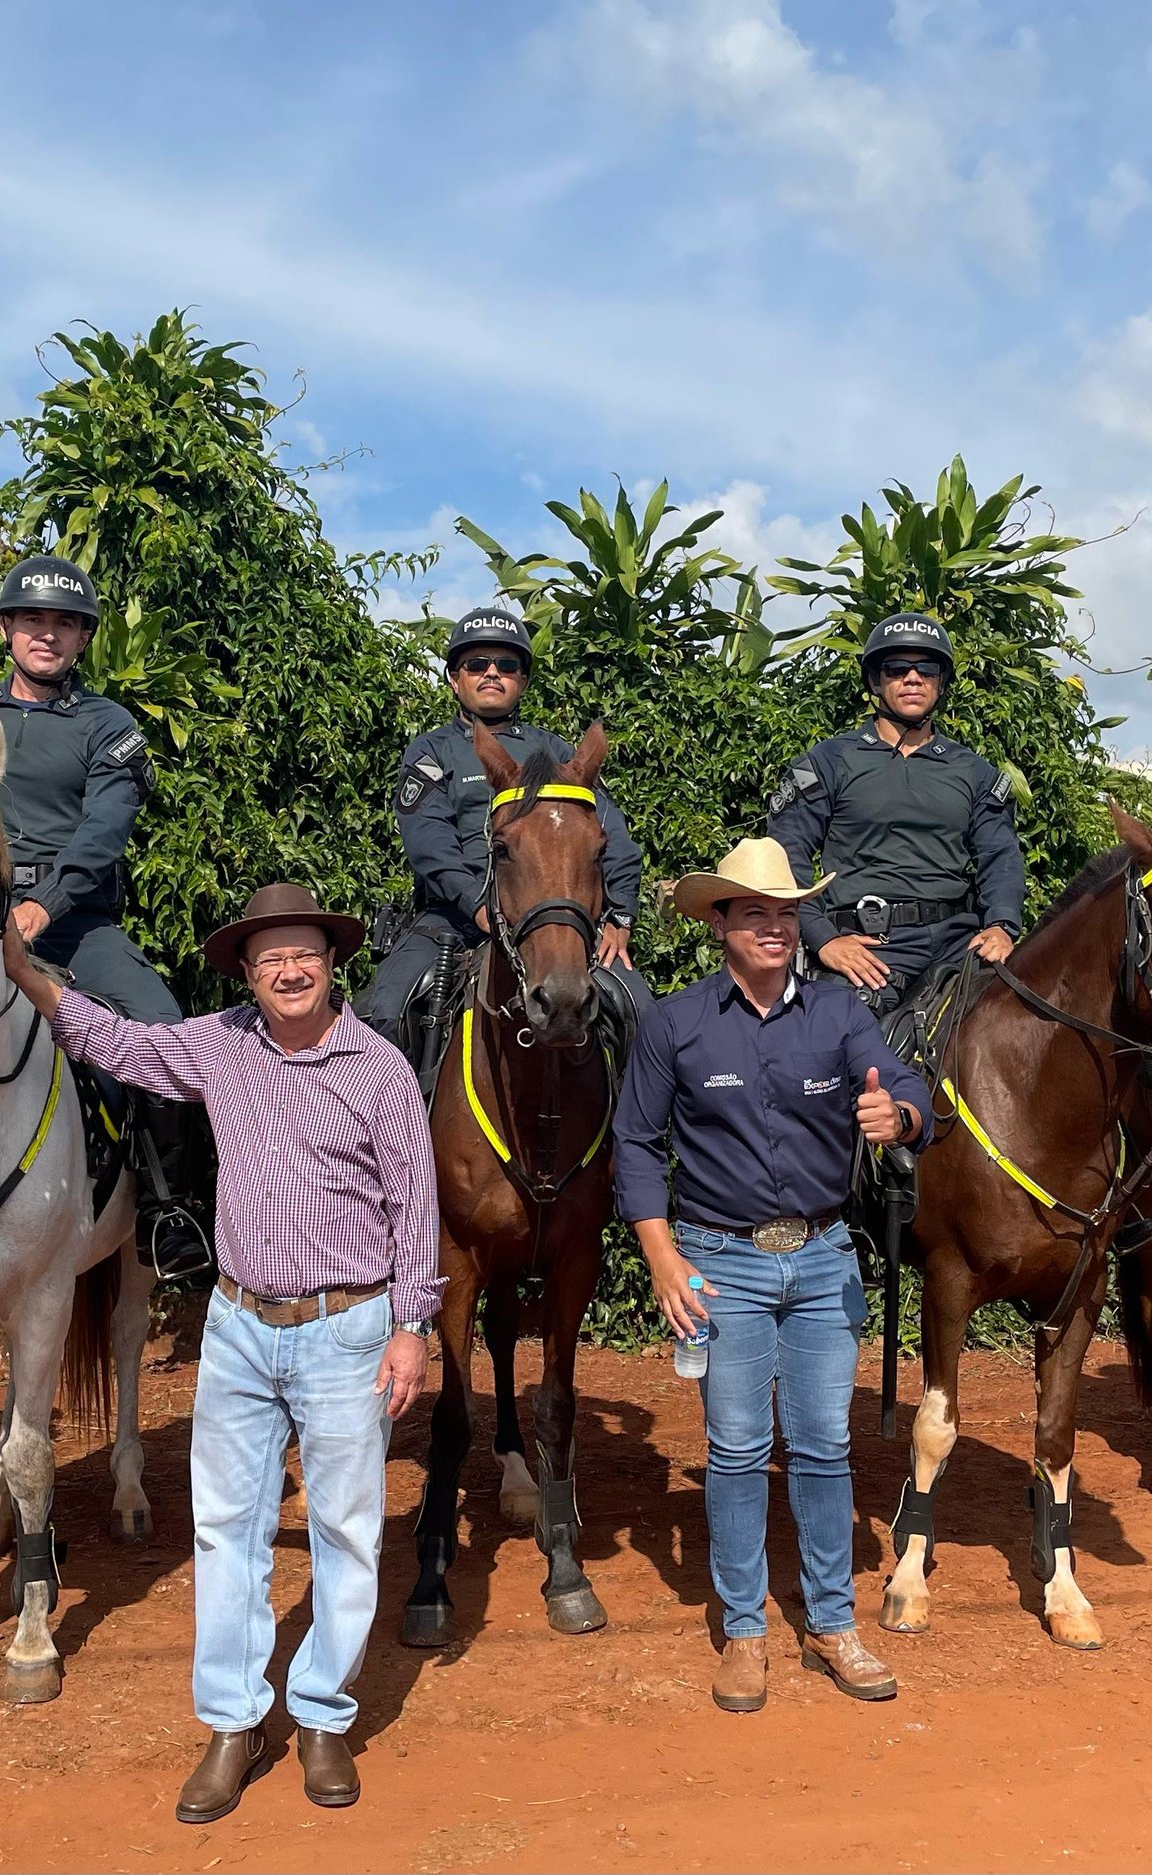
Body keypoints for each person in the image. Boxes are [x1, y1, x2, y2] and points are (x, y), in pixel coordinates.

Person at [1, 882, 441, 1824]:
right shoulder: (220, 1044)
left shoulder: (380, 1068)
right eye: (270, 956)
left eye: (306, 952)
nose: (290, 969)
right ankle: (234, 1721)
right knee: (226, 1529)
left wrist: (414, 1326)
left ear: (333, 963)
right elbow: (118, 1042)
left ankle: (320, 1713)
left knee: (347, 1530)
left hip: (348, 1327)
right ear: (246, 971)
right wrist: (22, 974)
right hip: (238, 1326)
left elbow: (416, 1202)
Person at [612, 838, 929, 1714]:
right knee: (739, 1447)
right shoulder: (674, 1023)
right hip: (720, 1263)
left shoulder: (839, 1012)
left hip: (824, 1259)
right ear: (720, 922)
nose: (775, 927)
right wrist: (662, 1254)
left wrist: (899, 1115)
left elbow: (909, 1086)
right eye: (755, 912)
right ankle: (746, 1630)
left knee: (824, 1445)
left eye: (787, 913)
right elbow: (634, 1142)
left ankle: (832, 1624)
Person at [0, 552, 209, 1279]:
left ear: (83, 637)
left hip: (76, 922)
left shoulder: (107, 724)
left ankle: (167, 1208)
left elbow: (102, 833)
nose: (46, 634)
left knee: (163, 1029)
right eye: (32, 620)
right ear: (6, 629)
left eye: (64, 623)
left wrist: (41, 907)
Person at [357, 606, 648, 1069]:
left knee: (644, 1016)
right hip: (452, 919)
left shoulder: (559, 754)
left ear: (523, 681)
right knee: (385, 1014)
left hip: (554, 916)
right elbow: (429, 844)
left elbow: (611, 838)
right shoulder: (431, 751)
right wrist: (477, 903)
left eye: (507, 665)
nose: (492, 673)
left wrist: (621, 916)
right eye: (477, 664)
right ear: (455, 679)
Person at [767, 613, 1025, 1013]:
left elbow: (1001, 855)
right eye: (897, 668)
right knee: (836, 1034)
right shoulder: (830, 761)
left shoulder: (974, 771)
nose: (912, 678)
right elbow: (786, 855)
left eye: (927, 669)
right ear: (876, 680)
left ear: (941, 682)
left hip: (959, 946)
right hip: (869, 949)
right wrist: (822, 938)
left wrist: (1002, 925)